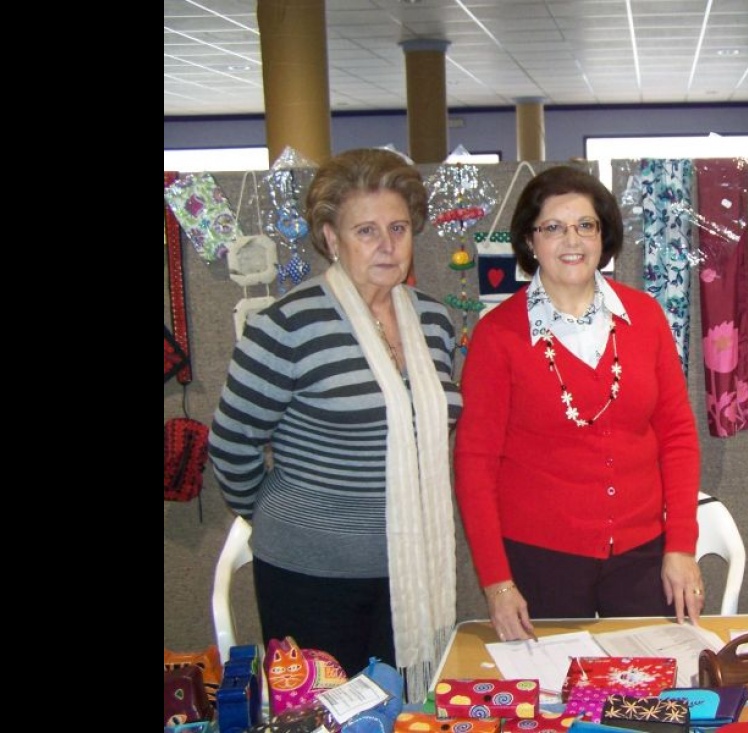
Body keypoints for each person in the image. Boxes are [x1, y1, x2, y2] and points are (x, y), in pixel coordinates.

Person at [208, 148, 462, 703]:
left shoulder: (436, 322)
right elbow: (231, 443)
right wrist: (292, 516)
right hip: (310, 574)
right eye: (365, 230)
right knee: (324, 714)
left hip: (412, 571)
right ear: (330, 237)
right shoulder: (287, 325)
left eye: (397, 227)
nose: (386, 244)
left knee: (405, 712)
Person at [454, 165, 705, 641]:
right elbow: (475, 463)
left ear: (603, 235)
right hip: (539, 560)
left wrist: (681, 546)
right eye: (552, 227)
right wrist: (497, 582)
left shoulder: (645, 318)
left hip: (642, 553)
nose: (572, 240)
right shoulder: (498, 334)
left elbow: (677, 437)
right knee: (551, 704)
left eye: (585, 225)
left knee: (651, 694)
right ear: (530, 241)